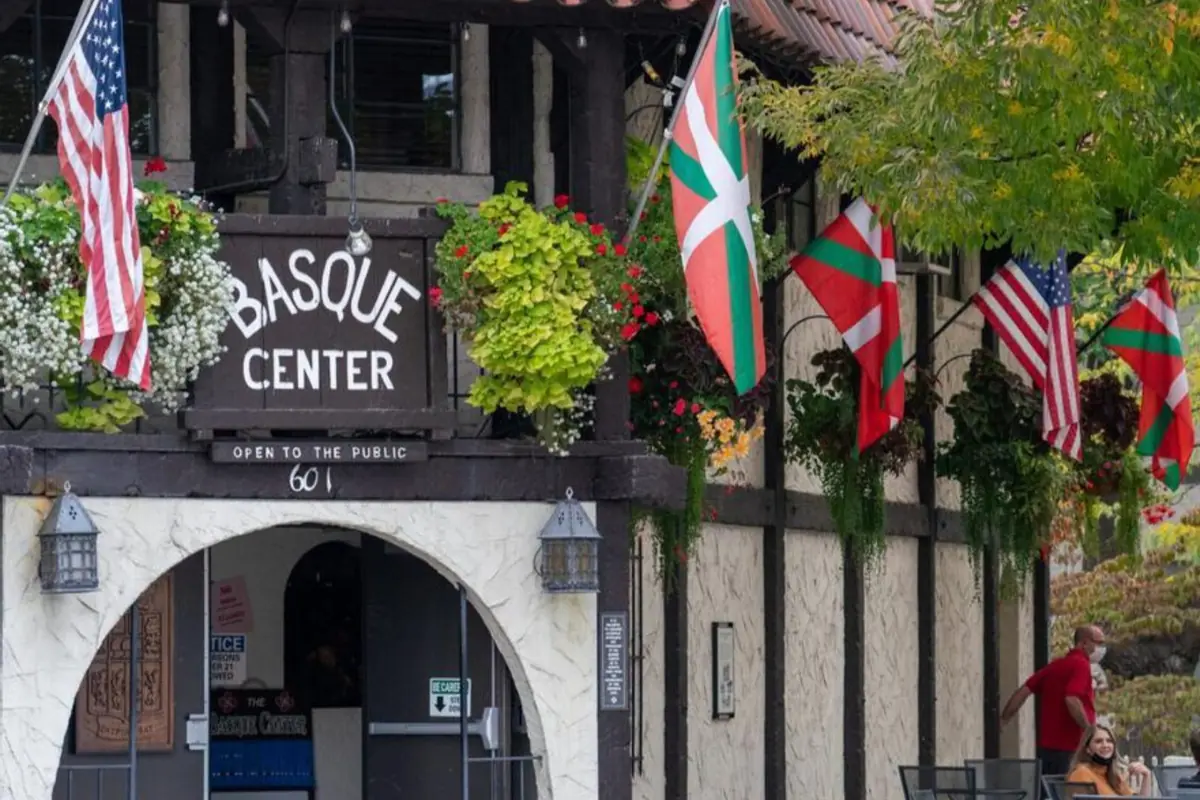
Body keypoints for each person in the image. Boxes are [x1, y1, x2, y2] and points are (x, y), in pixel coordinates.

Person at [999, 624, 1106, 778]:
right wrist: (1089, 730)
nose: (1102, 648)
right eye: (1099, 643)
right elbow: (1071, 698)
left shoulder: (1055, 666)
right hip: (1071, 747)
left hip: (1047, 748)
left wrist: (1004, 719)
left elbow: (1023, 691)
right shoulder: (1081, 665)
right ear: (1084, 643)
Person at [1066, 724, 1152, 795]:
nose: (1105, 745)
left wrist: (1146, 775)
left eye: (1109, 741)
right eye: (1098, 741)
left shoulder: (1112, 776)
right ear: (1087, 749)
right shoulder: (1081, 772)